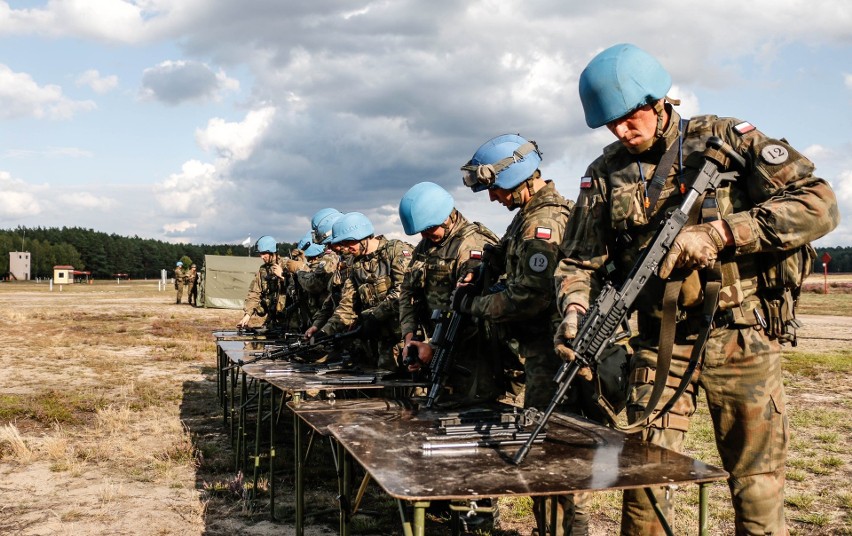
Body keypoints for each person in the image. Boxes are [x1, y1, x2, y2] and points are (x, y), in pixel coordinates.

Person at [554, 43, 839, 535]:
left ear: (656, 98)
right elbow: (579, 260)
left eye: (628, 117)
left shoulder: (726, 138)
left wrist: (724, 232)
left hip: (741, 337)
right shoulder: (604, 175)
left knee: (757, 483)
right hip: (660, 346)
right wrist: (575, 306)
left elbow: (820, 203)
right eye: (611, 124)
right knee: (641, 483)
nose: (623, 131)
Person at [457, 134, 590, 534]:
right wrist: (481, 268)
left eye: (495, 187)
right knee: (546, 452)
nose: (493, 198)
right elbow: (503, 257)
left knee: (552, 456)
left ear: (515, 177)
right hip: (539, 356)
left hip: (551, 358)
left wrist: (472, 306)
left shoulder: (543, 221)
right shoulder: (526, 216)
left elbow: (525, 298)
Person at [398, 181, 503, 406]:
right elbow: (407, 293)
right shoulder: (425, 248)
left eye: (429, 228)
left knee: (468, 411)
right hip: (439, 347)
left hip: (472, 353)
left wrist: (434, 349)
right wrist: (410, 339)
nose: (425, 235)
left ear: (446, 217)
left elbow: (475, 310)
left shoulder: (471, 244)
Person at [306, 212, 413, 371]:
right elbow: (346, 305)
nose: (346, 249)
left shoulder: (395, 252)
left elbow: (402, 292)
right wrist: (324, 331)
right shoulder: (356, 264)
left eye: (350, 244)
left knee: (415, 390)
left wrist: (374, 317)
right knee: (384, 390)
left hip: (406, 338)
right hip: (381, 342)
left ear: (364, 237)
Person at [237, 236, 290, 330]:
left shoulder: (288, 265)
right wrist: (247, 315)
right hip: (272, 318)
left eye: (264, 253)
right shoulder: (263, 270)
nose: (262, 257)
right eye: (260, 254)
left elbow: (299, 289)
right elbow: (254, 293)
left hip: (289, 319)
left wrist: (282, 277)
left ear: (272, 252)